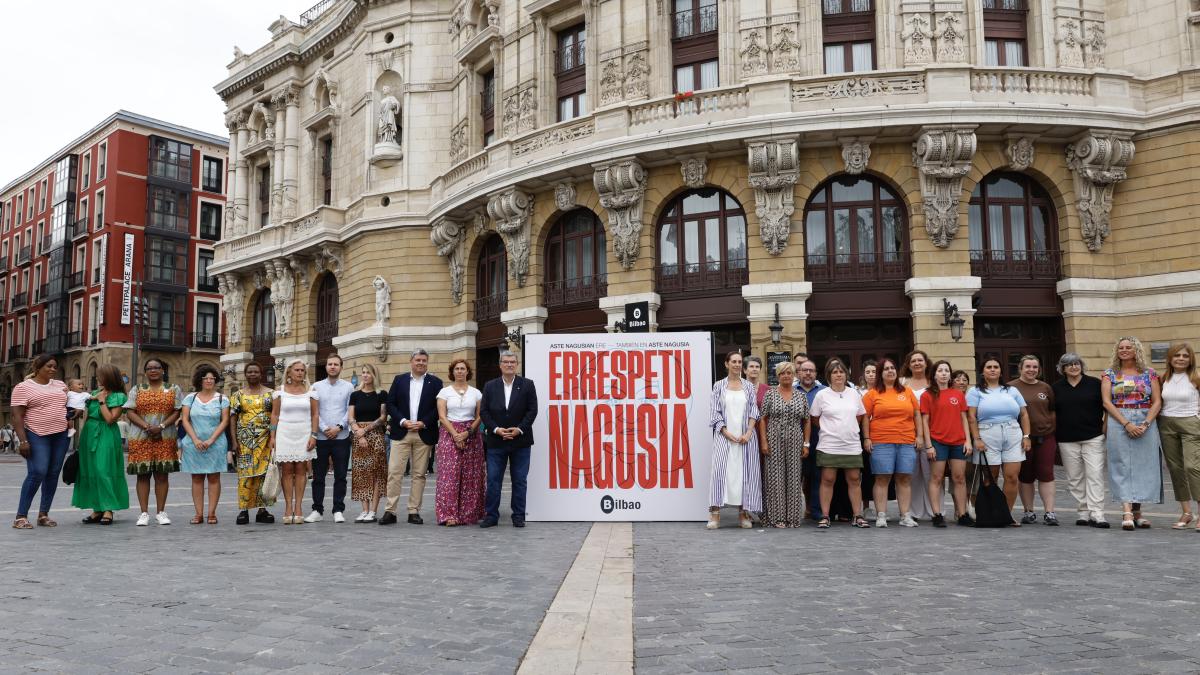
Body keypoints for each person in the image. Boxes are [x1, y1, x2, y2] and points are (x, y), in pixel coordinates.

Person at [1102, 336, 1163, 531]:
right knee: (1121, 464)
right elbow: (1106, 402)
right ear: (1116, 351)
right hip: (1119, 419)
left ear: (1136, 350)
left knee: (1144, 465)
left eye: (1129, 347)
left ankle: (1138, 512)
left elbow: (1157, 401)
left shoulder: (1150, 373)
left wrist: (1145, 424)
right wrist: (1126, 423)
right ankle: (1126, 510)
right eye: (1121, 347)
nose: (1125, 350)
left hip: (1146, 419)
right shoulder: (1109, 374)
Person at [382, 349, 443, 525]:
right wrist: (402, 421)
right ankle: (390, 511)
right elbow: (390, 404)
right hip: (401, 432)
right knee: (394, 472)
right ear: (411, 361)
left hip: (424, 433)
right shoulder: (399, 380)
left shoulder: (436, 382)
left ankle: (413, 511)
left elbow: (438, 409)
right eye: (418, 360)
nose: (421, 363)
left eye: (424, 360)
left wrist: (424, 422)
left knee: (419, 474)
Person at [11, 354, 71, 529]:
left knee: (52, 474)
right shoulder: (23, 387)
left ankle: (43, 514)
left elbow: (68, 406)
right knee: (38, 472)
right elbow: (17, 416)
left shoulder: (61, 385)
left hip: (60, 434)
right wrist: (23, 441)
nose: (53, 369)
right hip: (36, 434)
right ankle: (20, 516)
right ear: (38, 368)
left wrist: (73, 414)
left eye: (55, 367)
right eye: (49, 366)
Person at [968, 357, 1032, 520]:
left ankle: (1006, 514)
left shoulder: (1011, 390)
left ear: (1001, 371)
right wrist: (977, 439)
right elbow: (972, 417)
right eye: (988, 367)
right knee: (991, 477)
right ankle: (989, 514)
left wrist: (1026, 436)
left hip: (1012, 432)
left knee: (1011, 476)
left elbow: (1024, 414)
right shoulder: (975, 391)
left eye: (996, 366)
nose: (992, 369)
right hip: (987, 433)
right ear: (982, 371)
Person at [480, 350, 538, 528]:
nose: (510, 365)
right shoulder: (490, 386)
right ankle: (491, 516)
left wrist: (519, 429)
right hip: (496, 441)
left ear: (517, 364)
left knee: (519, 480)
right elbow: (484, 412)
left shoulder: (527, 384)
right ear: (500, 365)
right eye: (506, 362)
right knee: (493, 479)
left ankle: (518, 516)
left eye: (513, 362)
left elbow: (532, 410)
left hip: (520, 441)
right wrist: (496, 429)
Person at [809, 359, 870, 528]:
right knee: (828, 479)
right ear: (829, 375)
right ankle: (826, 516)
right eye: (834, 372)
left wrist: (847, 428)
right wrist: (830, 429)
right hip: (829, 444)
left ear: (846, 374)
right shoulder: (822, 395)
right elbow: (814, 418)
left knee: (854, 479)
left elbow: (860, 415)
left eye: (841, 372)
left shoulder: (854, 394)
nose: (838, 375)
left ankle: (857, 515)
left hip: (851, 444)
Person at [123, 359, 183, 526]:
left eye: (157, 367)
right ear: (145, 372)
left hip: (165, 436)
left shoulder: (173, 389)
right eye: (149, 368)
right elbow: (130, 411)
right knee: (143, 475)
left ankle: (161, 512)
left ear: (163, 370)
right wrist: (147, 426)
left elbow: (177, 411)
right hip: (141, 437)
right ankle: (143, 513)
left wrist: (161, 426)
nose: (153, 370)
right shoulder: (137, 389)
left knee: (162, 475)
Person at [864, 358, 923, 528]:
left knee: (904, 478)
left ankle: (905, 515)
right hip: (881, 441)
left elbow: (917, 414)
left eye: (892, 368)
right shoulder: (873, 393)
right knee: (882, 478)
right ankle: (881, 515)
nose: (890, 371)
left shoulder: (907, 391)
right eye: (886, 369)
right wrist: (867, 438)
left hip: (906, 441)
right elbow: (865, 418)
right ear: (880, 374)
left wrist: (919, 436)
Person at [1052, 353, 1108, 528]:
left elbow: (1107, 406)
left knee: (1095, 475)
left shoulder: (1095, 384)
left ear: (1081, 365)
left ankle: (1097, 513)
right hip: (1067, 438)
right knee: (1075, 477)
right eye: (1069, 365)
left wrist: (1104, 429)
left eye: (1076, 364)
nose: (1074, 367)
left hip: (1093, 436)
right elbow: (1053, 413)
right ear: (1063, 368)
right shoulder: (1056, 388)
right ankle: (1083, 512)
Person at [706, 351, 760, 529]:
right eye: (733, 362)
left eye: (739, 362)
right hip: (724, 437)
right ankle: (715, 514)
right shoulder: (719, 386)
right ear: (726, 364)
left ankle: (743, 513)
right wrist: (725, 432)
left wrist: (749, 432)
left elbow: (754, 410)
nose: (737, 364)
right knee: (721, 473)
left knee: (744, 474)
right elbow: (714, 412)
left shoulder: (748, 387)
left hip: (746, 438)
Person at [72, 364, 129, 524]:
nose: (97, 378)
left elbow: (111, 419)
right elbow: (87, 416)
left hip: (106, 434)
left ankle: (108, 508)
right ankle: (97, 508)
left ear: (109, 377)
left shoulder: (118, 396)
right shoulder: (94, 394)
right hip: (89, 433)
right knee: (91, 470)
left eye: (100, 375)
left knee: (104, 470)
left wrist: (102, 401)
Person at [758, 361, 811, 528]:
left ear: (794, 375)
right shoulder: (770, 394)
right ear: (778, 376)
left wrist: (806, 443)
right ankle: (777, 518)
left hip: (795, 440)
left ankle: (792, 518)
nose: (786, 376)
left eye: (789, 373)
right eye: (782, 373)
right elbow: (763, 419)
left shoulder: (801, 396)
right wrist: (764, 442)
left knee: (794, 478)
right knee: (775, 479)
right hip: (774, 439)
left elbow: (807, 421)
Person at [920, 360, 972, 527]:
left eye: (946, 371)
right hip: (938, 442)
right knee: (936, 478)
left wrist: (968, 441)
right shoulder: (927, 395)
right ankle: (937, 514)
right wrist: (929, 445)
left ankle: (963, 514)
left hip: (958, 442)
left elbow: (964, 418)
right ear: (934, 375)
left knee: (959, 478)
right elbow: (924, 421)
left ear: (950, 375)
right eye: (940, 370)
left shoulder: (957, 394)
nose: (943, 373)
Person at [435, 359, 485, 526]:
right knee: (450, 475)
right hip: (450, 431)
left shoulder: (476, 393)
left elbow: (480, 415)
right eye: (457, 368)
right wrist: (456, 435)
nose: (460, 371)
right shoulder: (444, 392)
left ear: (467, 371)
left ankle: (468, 513)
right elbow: (442, 416)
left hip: (471, 432)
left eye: (463, 368)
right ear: (452, 371)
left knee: (471, 474)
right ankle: (449, 515)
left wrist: (467, 433)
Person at [1009, 356, 1058, 526]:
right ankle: (1028, 511)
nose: (1031, 369)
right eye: (1028, 366)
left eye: (1035, 367)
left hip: (1046, 436)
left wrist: (1051, 426)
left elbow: (1052, 410)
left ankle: (1049, 512)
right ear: (1020, 368)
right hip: (1021, 439)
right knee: (1026, 475)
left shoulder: (1045, 387)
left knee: (1046, 473)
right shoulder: (1011, 387)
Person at [179, 365, 230, 525]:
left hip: (216, 443)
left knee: (214, 477)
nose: (209, 381)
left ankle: (212, 513)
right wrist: (194, 439)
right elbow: (185, 420)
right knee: (197, 478)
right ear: (199, 380)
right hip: (193, 443)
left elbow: (225, 421)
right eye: (206, 378)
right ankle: (198, 514)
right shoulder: (190, 398)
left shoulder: (223, 399)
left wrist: (211, 440)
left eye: (212, 378)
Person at [306, 354, 355, 524]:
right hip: (321, 437)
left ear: (341, 367)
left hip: (341, 436)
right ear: (326, 367)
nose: (332, 367)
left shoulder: (349, 387)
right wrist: (325, 428)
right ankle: (317, 510)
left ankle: (338, 510)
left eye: (336, 364)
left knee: (340, 476)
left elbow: (349, 410)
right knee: (318, 476)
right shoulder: (316, 386)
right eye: (329, 364)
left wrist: (339, 427)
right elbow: (314, 411)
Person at [269, 359, 319, 524]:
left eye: (302, 370)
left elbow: (315, 415)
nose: (300, 373)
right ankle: (288, 507)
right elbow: (274, 415)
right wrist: (273, 436)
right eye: (297, 370)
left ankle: (298, 507)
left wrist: (314, 435)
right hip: (284, 432)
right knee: (287, 469)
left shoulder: (311, 391)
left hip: (304, 433)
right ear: (289, 372)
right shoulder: (279, 391)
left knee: (301, 470)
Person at [1159, 343, 1200, 531]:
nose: (1181, 359)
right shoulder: (1163, 379)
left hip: (1191, 423)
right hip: (1167, 424)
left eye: (1185, 356)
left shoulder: (1196, 378)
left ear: (1191, 359)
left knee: (1192, 466)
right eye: (1177, 355)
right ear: (1170, 358)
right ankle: (1186, 512)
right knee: (1175, 468)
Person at [230, 362, 276, 525]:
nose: (252, 374)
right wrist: (234, 442)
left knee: (264, 475)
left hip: (265, 441)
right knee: (245, 475)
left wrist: (273, 437)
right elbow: (233, 419)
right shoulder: (238, 395)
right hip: (245, 442)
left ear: (261, 374)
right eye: (249, 372)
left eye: (256, 371)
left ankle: (262, 510)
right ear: (245, 374)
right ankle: (244, 510)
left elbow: (274, 417)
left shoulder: (272, 394)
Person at [349, 363, 388, 522]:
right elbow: (351, 417)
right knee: (360, 473)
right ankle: (364, 510)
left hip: (376, 436)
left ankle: (373, 510)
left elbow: (383, 417)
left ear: (374, 375)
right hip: (359, 437)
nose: (365, 375)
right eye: (363, 373)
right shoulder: (355, 394)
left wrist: (365, 431)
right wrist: (359, 432)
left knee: (375, 473)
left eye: (368, 373)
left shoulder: (382, 394)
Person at [899, 350, 935, 521]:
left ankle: (935, 510)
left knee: (931, 473)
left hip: (932, 430)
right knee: (911, 474)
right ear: (908, 364)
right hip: (907, 431)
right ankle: (912, 512)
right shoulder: (902, 382)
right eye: (913, 361)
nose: (917, 363)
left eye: (920, 360)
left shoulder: (933, 382)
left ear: (926, 363)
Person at [796, 360, 826, 520]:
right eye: (804, 370)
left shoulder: (825, 391)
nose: (808, 373)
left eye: (811, 370)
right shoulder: (791, 390)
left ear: (816, 373)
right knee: (795, 477)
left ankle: (816, 511)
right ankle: (793, 512)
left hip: (819, 439)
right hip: (793, 440)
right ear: (798, 373)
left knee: (817, 477)